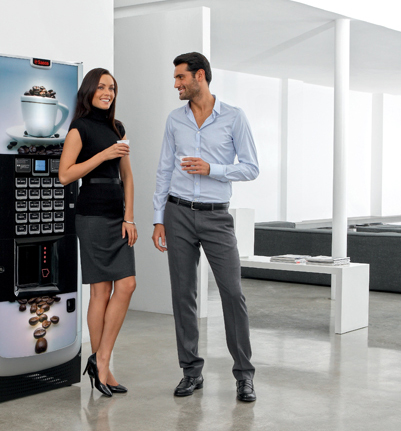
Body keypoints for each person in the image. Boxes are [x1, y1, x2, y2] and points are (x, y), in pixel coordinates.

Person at [150, 52, 260, 402]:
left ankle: (244, 375)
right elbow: (164, 169)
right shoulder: (174, 120)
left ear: (199, 76)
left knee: (232, 293)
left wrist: (212, 169)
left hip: (216, 216)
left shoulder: (233, 117)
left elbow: (251, 167)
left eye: (180, 77)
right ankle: (191, 372)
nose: (176, 84)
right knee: (183, 295)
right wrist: (158, 218)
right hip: (177, 213)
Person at [59, 68, 137, 398]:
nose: (108, 92)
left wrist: (129, 217)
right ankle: (102, 365)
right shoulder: (79, 128)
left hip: (117, 217)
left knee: (127, 284)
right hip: (91, 216)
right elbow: (65, 175)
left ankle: (100, 359)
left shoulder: (118, 128)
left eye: (112, 88)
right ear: (89, 91)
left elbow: (127, 176)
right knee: (100, 291)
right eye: (102, 87)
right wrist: (103, 154)